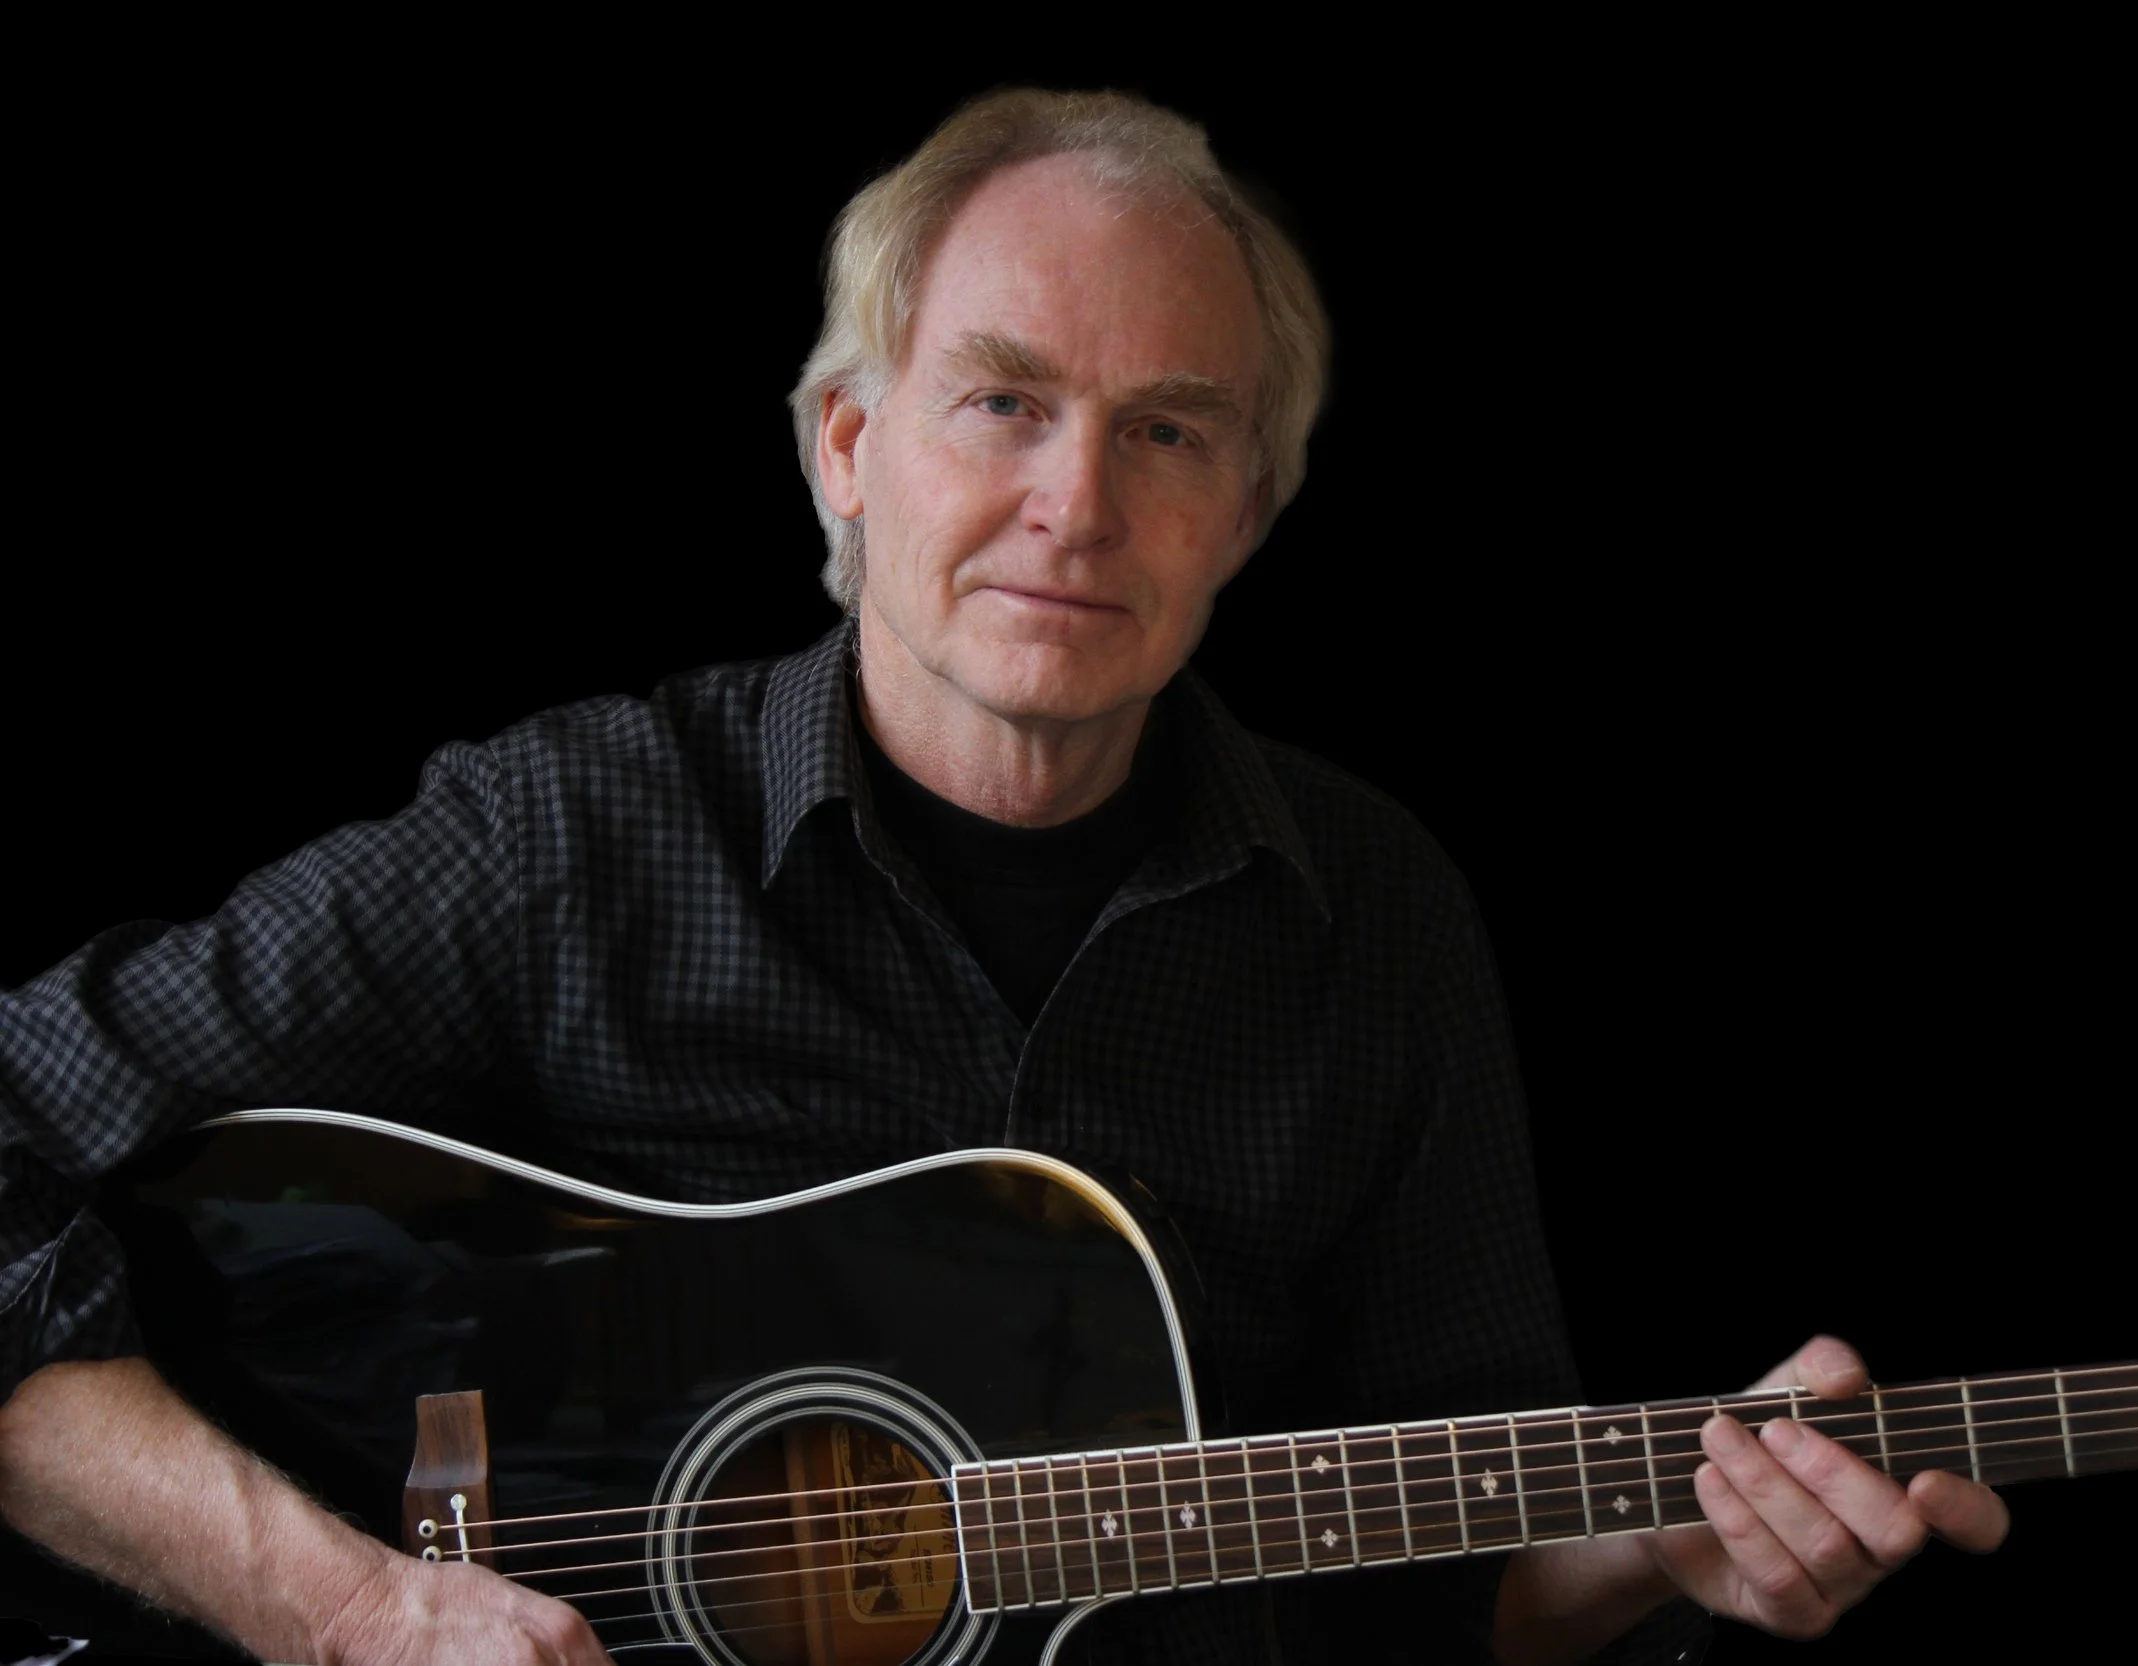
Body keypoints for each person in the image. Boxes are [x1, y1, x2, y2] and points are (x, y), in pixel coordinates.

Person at [0, 88, 2006, 1664]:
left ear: (1248, 512)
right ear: (846, 447)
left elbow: (1452, 1585)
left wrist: (1664, 1548)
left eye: (1168, 431)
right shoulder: (569, 838)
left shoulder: (1372, 916)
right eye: (1001, 400)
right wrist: (344, 1602)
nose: (1076, 501)